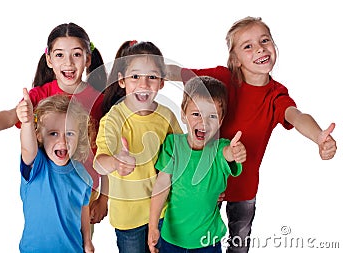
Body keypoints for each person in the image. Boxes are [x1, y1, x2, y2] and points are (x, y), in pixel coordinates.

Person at [166, 16, 337, 253]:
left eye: (265, 40)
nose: (260, 48)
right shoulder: (223, 78)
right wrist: (155, 69)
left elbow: (296, 116)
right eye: (248, 45)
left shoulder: (275, 94)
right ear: (235, 60)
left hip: (244, 188)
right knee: (200, 239)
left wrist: (319, 136)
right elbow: (183, 73)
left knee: (239, 242)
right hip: (206, 181)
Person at [0, 23, 108, 228]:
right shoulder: (39, 96)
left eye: (76, 54)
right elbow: (10, 116)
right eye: (60, 55)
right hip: (47, 185)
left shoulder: (99, 100)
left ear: (88, 59)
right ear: (49, 59)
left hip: (84, 188)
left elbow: (108, 150)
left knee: (79, 243)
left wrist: (104, 199)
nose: (68, 63)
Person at [93, 41, 183, 253]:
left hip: (162, 211)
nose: (143, 84)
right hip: (128, 216)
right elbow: (99, 163)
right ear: (122, 80)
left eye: (151, 77)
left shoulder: (167, 116)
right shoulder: (113, 119)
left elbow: (183, 155)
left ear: (161, 82)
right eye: (135, 76)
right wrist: (116, 162)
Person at [148, 76, 247, 253]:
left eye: (212, 116)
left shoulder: (220, 148)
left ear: (221, 121)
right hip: (172, 239)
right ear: (183, 115)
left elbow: (229, 154)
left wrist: (236, 151)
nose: (203, 122)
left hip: (207, 242)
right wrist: (153, 225)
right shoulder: (173, 145)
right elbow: (161, 186)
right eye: (196, 114)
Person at [16, 91, 93, 253]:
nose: (63, 140)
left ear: (80, 136)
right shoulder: (37, 166)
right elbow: (27, 147)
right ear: (39, 136)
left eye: (70, 133)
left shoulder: (83, 175)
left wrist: (87, 241)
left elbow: (83, 209)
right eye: (53, 133)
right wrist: (28, 123)